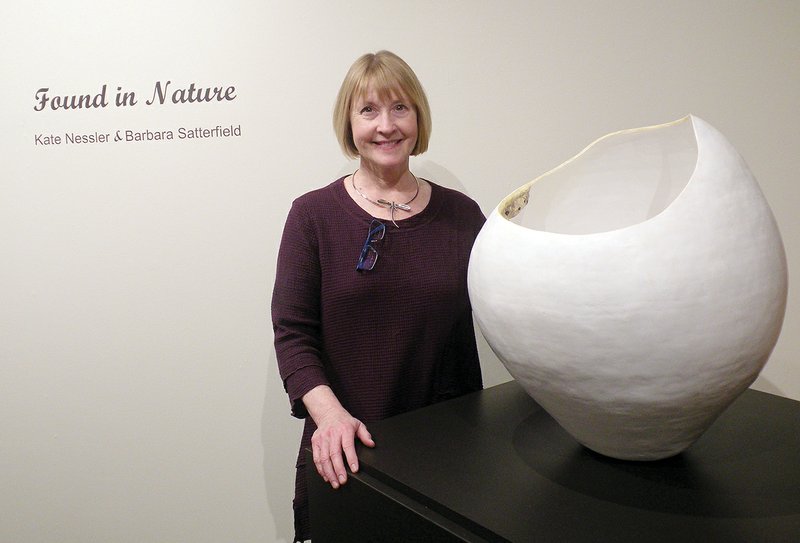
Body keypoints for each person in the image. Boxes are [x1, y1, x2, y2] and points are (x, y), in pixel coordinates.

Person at [271, 50, 485, 542]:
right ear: (349, 123)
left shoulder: (463, 217)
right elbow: (293, 335)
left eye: (400, 108)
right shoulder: (312, 217)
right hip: (348, 451)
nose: (386, 125)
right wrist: (330, 418)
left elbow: (508, 306)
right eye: (368, 110)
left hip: (448, 459)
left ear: (418, 118)